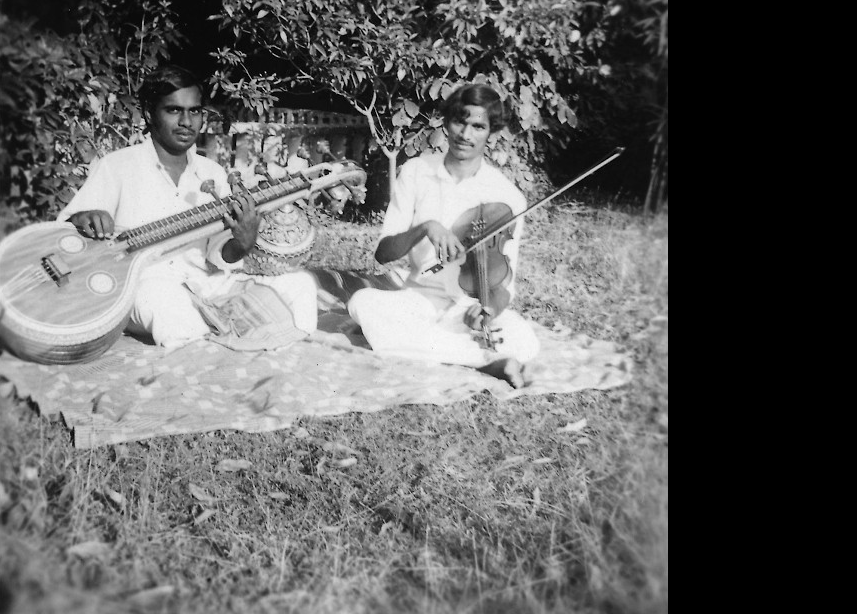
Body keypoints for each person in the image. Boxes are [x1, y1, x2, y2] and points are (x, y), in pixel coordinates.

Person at [56, 64, 318, 349]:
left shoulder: (213, 173)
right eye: (173, 110)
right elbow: (67, 228)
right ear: (149, 113)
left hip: (204, 285)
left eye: (194, 111)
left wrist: (243, 241)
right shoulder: (118, 166)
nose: (186, 121)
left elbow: (222, 255)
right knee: (165, 302)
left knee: (301, 284)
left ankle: (272, 354)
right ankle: (209, 358)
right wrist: (86, 217)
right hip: (143, 286)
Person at [347, 83, 541, 387]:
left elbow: (504, 284)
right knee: (361, 303)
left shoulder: (507, 196)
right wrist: (426, 227)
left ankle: (426, 346)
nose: (465, 134)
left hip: (466, 309)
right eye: (459, 121)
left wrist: (489, 310)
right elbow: (383, 254)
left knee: (524, 337)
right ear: (446, 122)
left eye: (478, 126)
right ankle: (486, 361)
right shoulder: (416, 171)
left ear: (491, 131)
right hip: (418, 299)